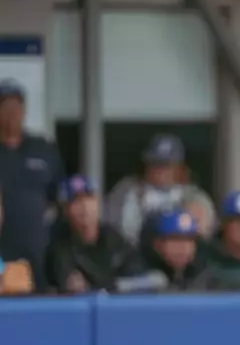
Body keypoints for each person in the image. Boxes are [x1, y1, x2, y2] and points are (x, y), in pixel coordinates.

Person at [0, 78, 64, 283]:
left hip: (39, 252)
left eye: (16, 105)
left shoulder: (43, 148)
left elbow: (60, 197)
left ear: (24, 109)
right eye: (5, 105)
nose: (12, 111)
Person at [104, 134, 216, 249]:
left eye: (166, 165)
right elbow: (108, 228)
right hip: (132, 253)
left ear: (179, 167)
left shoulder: (194, 196)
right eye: (155, 163)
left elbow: (204, 236)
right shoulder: (125, 190)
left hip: (175, 255)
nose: (160, 171)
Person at [45, 175, 138, 294]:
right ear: (66, 210)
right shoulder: (59, 246)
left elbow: (138, 274)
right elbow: (68, 284)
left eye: (89, 198)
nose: (85, 207)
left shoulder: (113, 237)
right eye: (76, 201)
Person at [135, 208, 206, 292]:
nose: (184, 247)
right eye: (176, 240)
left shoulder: (205, 276)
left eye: (189, 240)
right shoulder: (138, 274)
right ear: (157, 244)